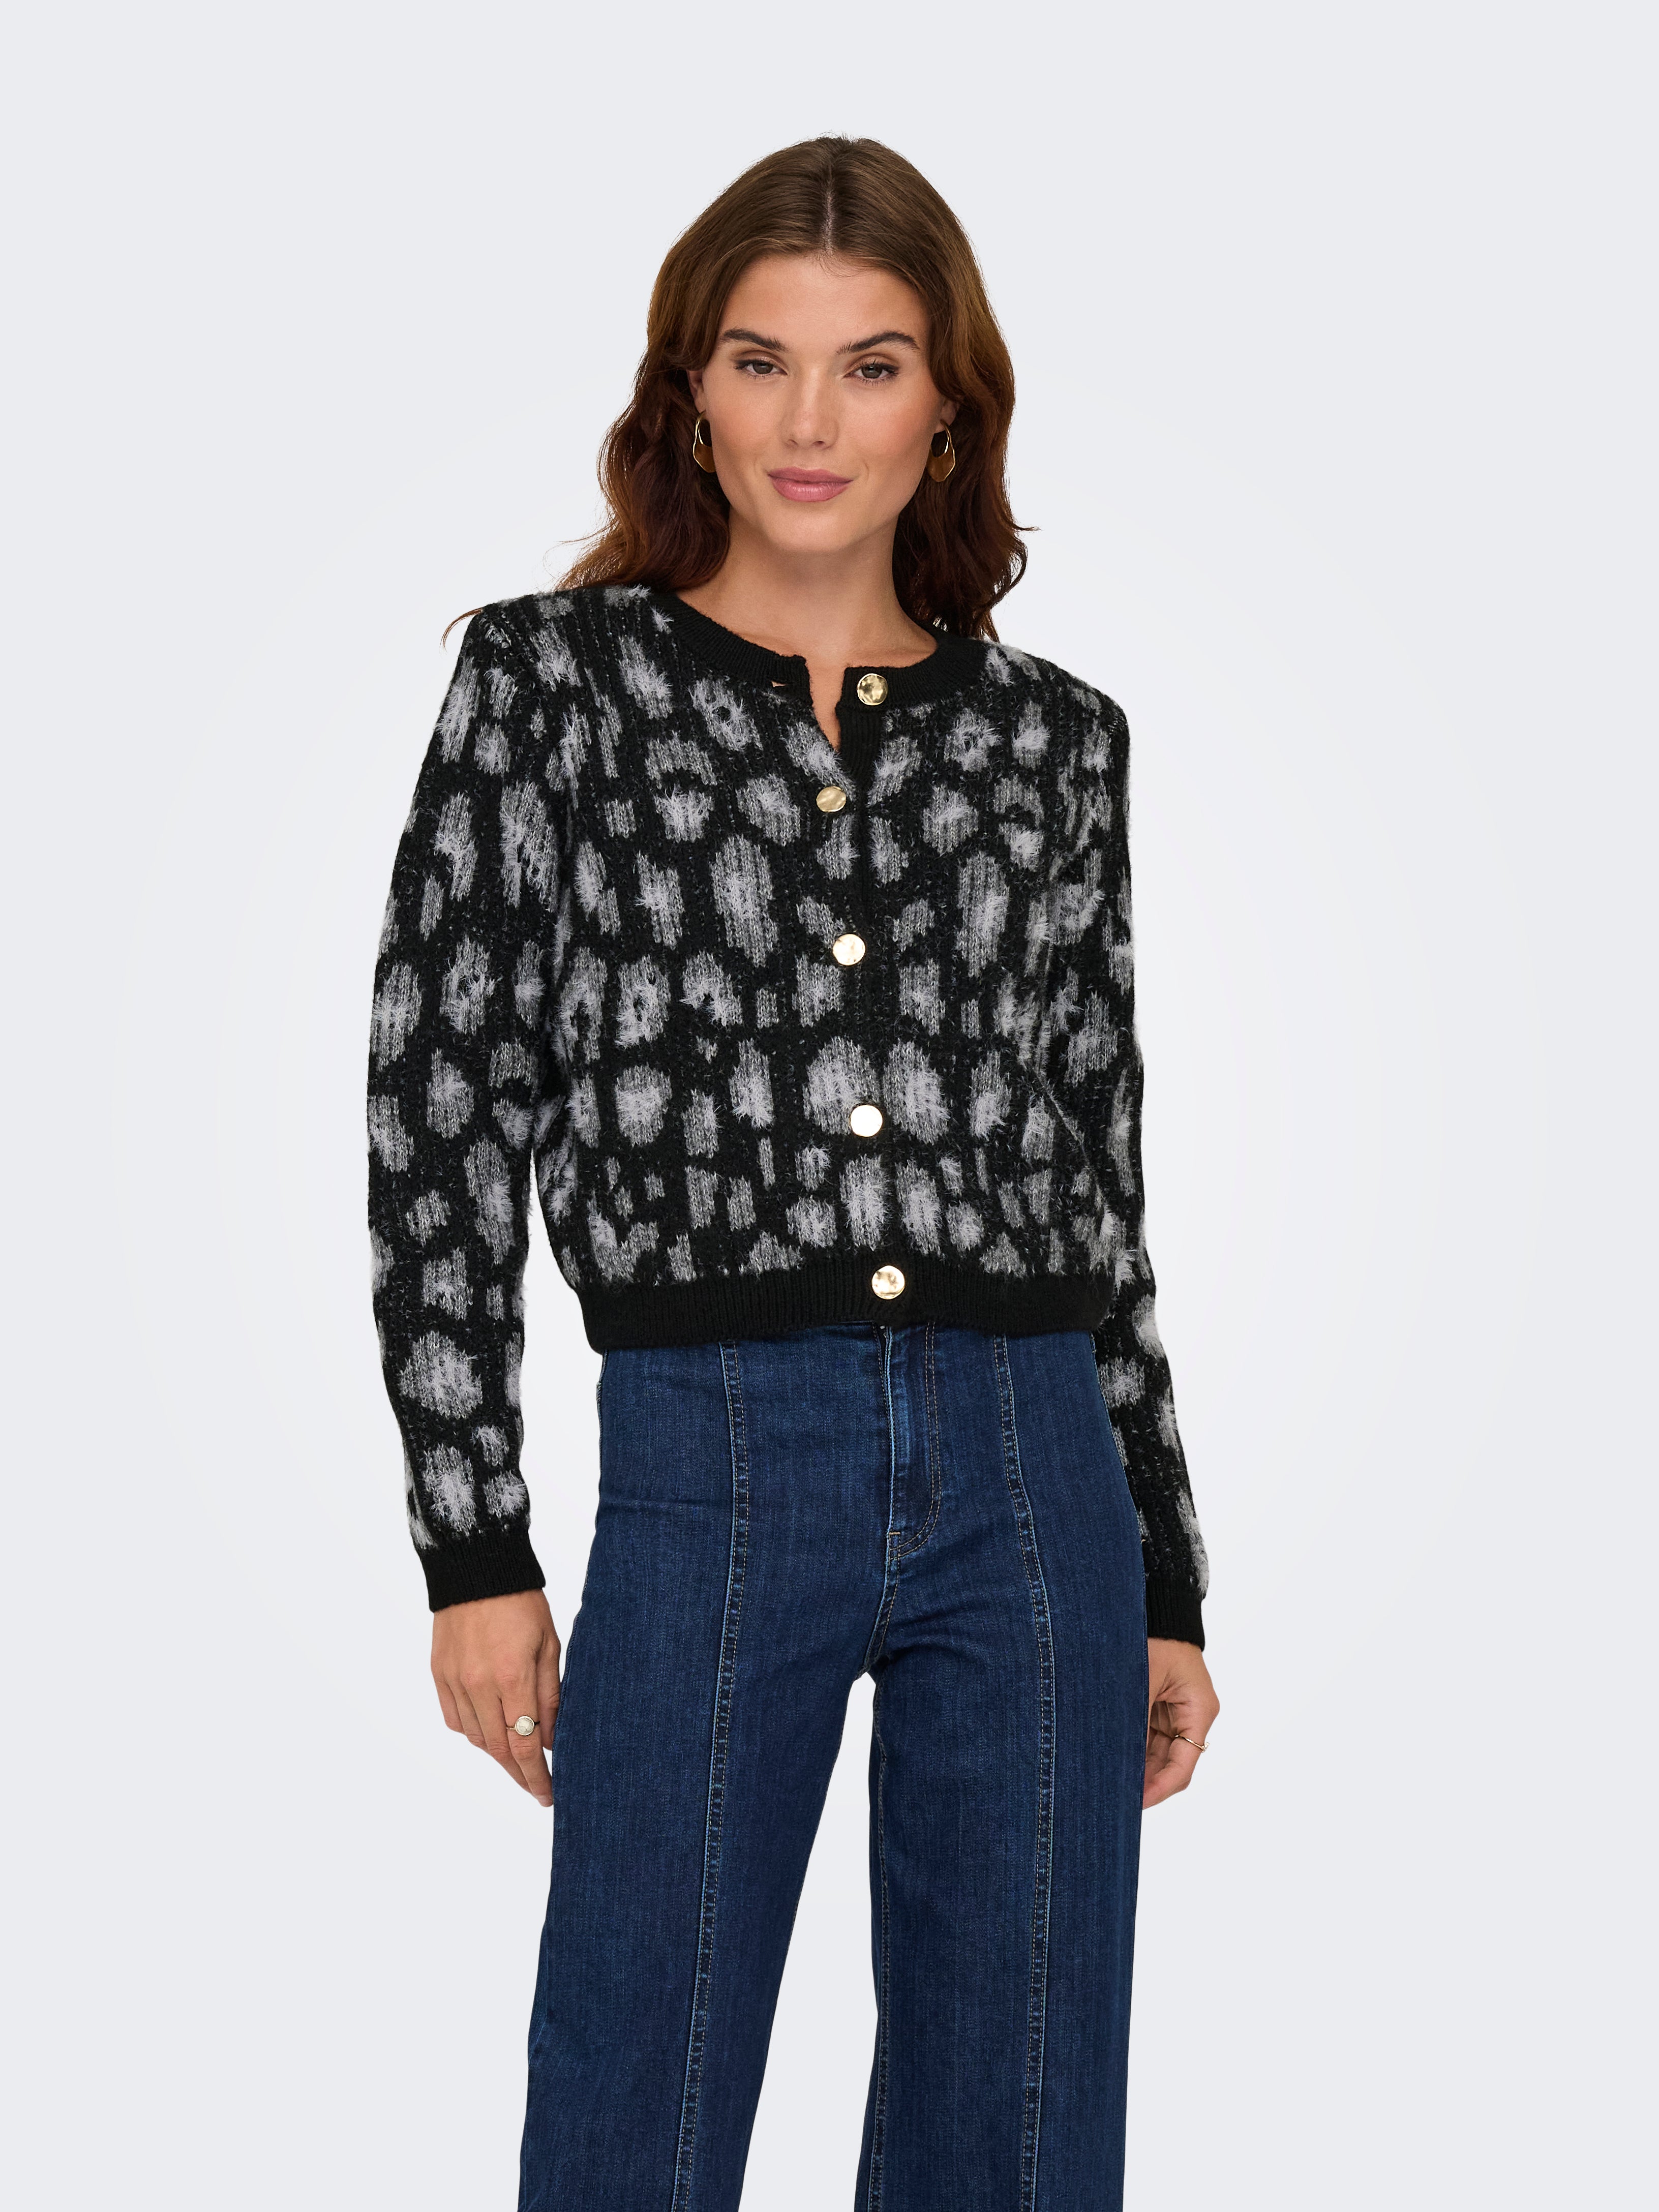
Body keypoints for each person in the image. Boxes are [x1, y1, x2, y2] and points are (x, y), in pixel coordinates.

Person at [368, 134, 1218, 2212]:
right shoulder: (551, 689)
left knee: (1020, 2122)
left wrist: (1166, 1567)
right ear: (692, 396)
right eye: (761, 362)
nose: (811, 420)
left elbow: (1094, 1168)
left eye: (872, 365)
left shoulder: (1059, 742)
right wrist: (472, 1544)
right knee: (635, 2099)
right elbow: (439, 1117)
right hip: (715, 1451)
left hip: (1034, 1465)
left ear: (950, 412)